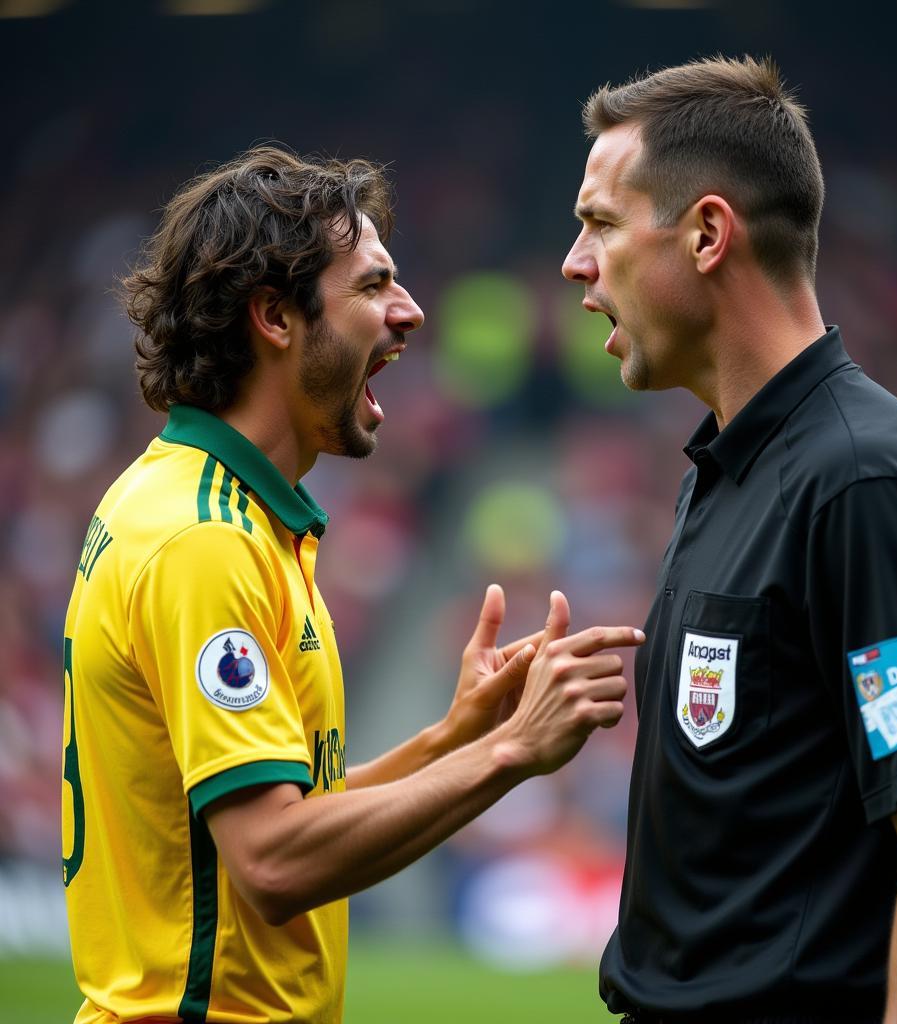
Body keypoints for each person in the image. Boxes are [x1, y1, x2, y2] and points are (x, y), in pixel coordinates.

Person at [61, 145, 645, 1024]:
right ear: (274, 317)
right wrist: (512, 752)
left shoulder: (198, 504)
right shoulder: (204, 541)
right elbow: (273, 862)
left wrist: (455, 738)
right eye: (374, 286)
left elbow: (294, 814)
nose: (410, 313)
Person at [561, 56, 897, 1024]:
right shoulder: (729, 470)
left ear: (707, 233)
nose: (575, 261)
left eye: (598, 221)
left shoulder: (860, 480)